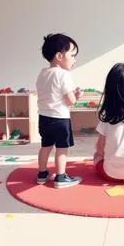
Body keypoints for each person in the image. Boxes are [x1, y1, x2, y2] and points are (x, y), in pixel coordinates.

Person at [36, 33, 82, 189]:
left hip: (44, 118)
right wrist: (77, 96)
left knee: (45, 147)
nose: (75, 60)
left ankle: (42, 174)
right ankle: (61, 178)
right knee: (62, 149)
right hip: (60, 119)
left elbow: (49, 95)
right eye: (73, 55)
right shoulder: (64, 75)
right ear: (59, 56)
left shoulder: (43, 73)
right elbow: (71, 102)